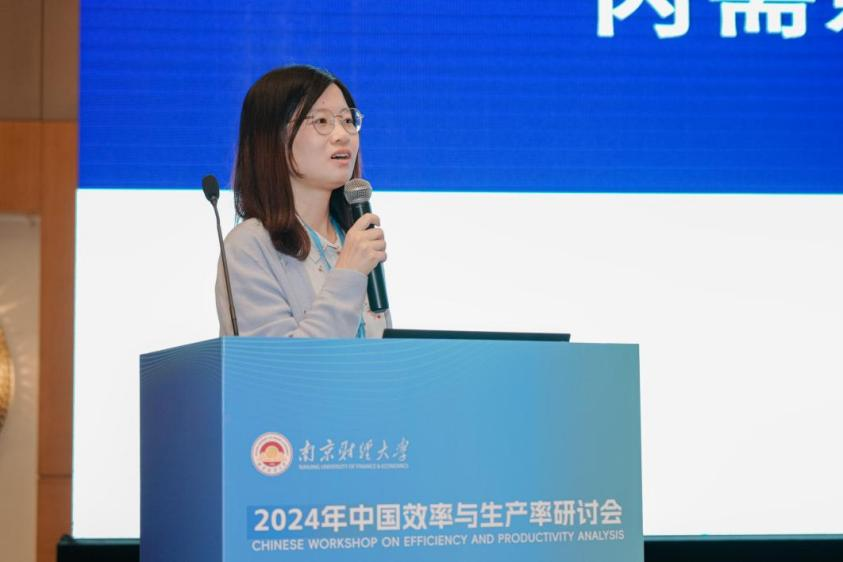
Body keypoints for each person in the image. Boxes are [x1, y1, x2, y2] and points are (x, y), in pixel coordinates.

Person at [215, 65, 390, 337]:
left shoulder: (352, 240)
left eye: (347, 120)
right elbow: (283, 361)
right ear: (274, 138)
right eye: (322, 121)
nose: (343, 135)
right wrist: (349, 272)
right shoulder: (249, 246)